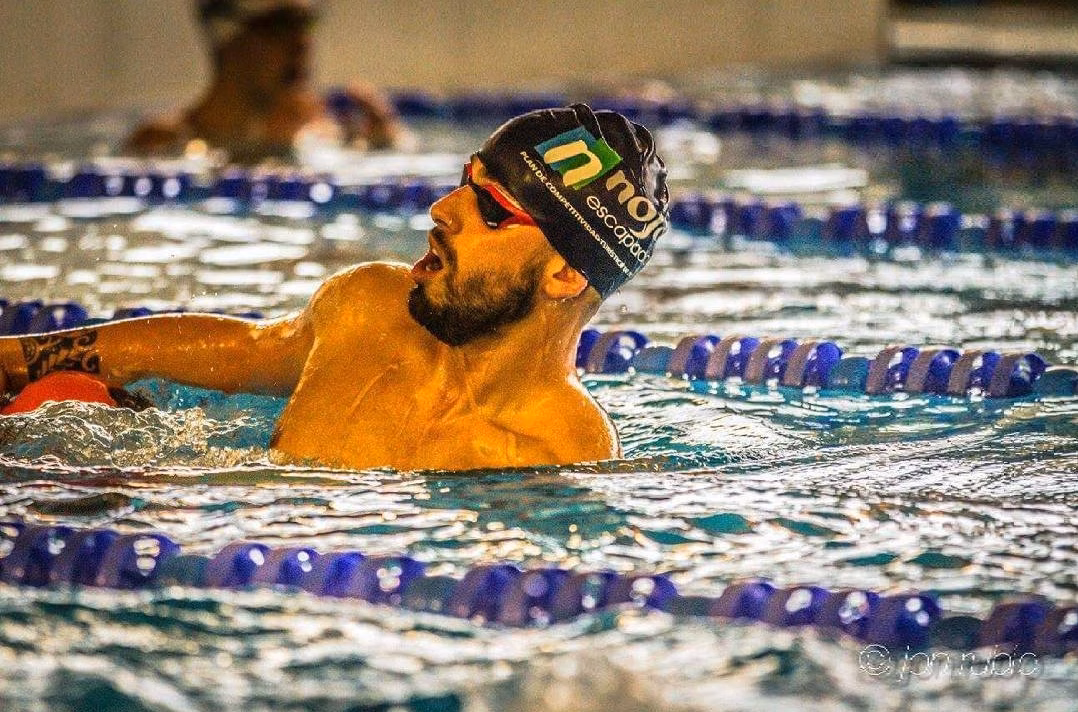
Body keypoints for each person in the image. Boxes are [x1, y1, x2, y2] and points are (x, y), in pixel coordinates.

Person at [2, 105, 669, 471]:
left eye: (491, 208)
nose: (444, 208)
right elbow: (237, 351)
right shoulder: (369, 305)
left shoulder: (561, 455)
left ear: (565, 274)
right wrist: (20, 358)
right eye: (467, 180)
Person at [125, 0, 406, 162]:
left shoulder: (330, 133)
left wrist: (385, 145)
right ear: (228, 38)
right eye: (281, 25)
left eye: (306, 24)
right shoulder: (162, 142)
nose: (302, 43)